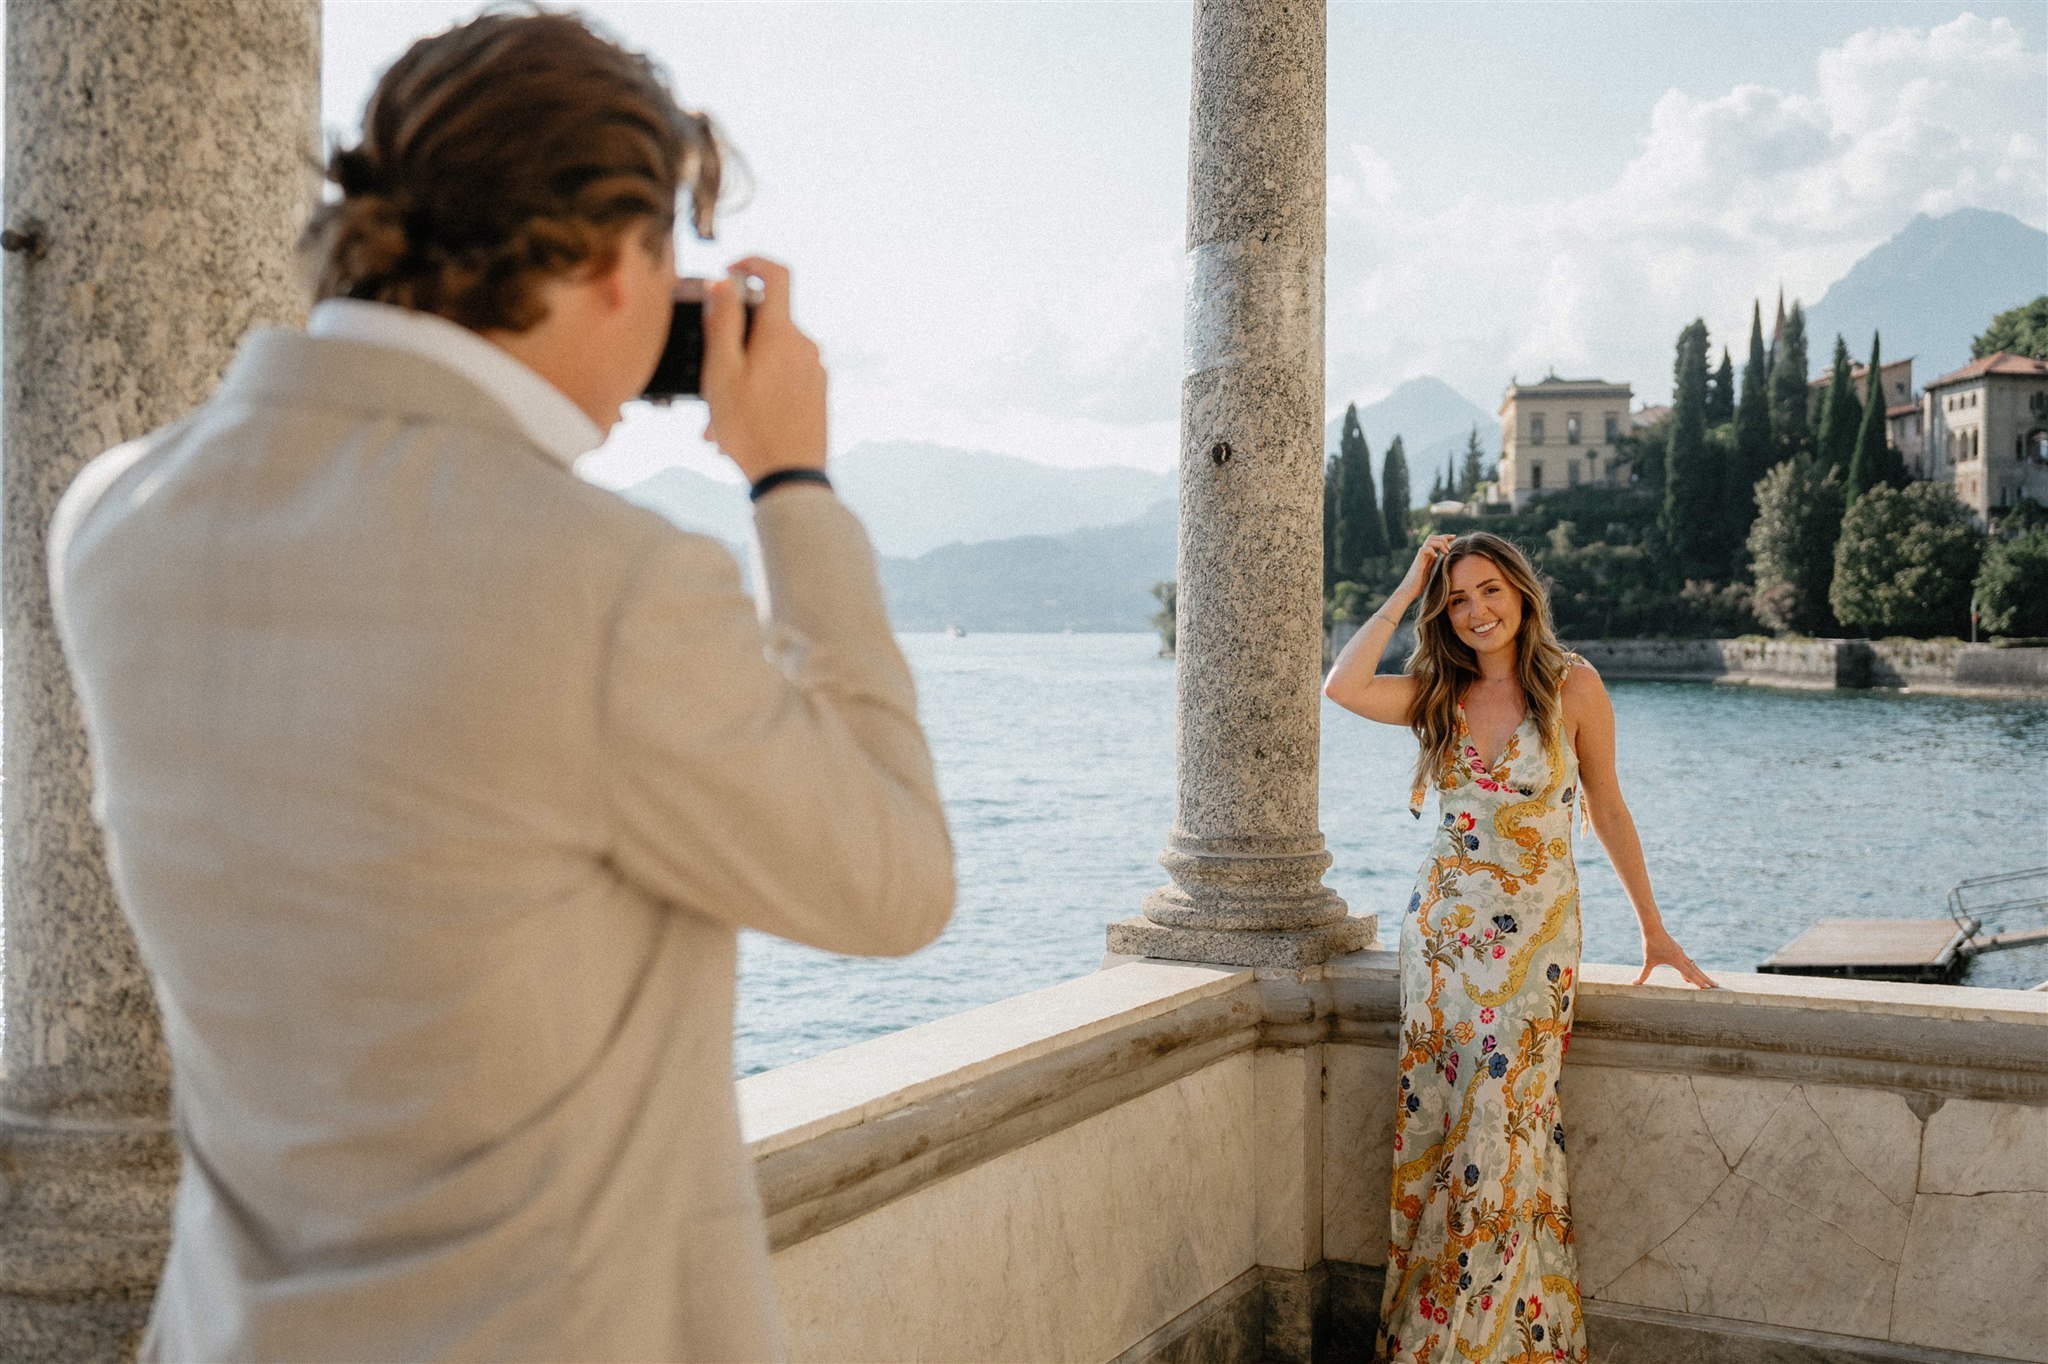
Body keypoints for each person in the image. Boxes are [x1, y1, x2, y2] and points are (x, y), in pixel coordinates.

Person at [47, 11, 954, 1361]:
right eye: (669, 261)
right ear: (608, 262)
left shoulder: (113, 516)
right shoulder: (612, 582)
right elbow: (894, 881)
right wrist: (793, 485)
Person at [1322, 530, 1714, 1364]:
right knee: (1441, 1133)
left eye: (1490, 590)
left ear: (1522, 592)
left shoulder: (1574, 686)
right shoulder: (1437, 690)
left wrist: (1654, 927)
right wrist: (1407, 584)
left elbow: (1607, 809)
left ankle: (1498, 1345)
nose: (1476, 612)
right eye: (1458, 599)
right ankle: (1444, 1343)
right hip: (1443, 946)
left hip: (1536, 946)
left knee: (1508, 1130)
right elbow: (1341, 684)